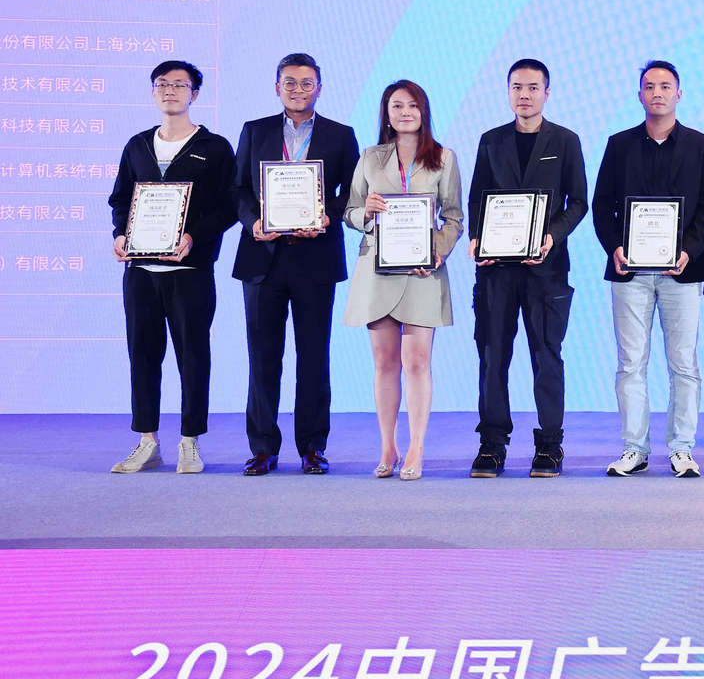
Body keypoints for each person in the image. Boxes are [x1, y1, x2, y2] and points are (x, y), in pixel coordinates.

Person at [231, 52, 360, 476]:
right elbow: (238, 189)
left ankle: (312, 447)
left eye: (306, 83)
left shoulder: (341, 135)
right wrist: (253, 223)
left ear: (319, 88)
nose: (298, 89)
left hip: (315, 257)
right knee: (262, 358)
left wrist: (327, 216)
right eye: (290, 82)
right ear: (277, 87)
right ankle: (262, 448)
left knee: (313, 357)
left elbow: (352, 192)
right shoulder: (255, 130)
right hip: (262, 258)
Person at [108, 60, 237, 474]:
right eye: (162, 84)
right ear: (153, 92)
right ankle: (147, 441)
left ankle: (190, 441)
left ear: (194, 94)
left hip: (191, 272)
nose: (170, 91)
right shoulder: (137, 145)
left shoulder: (215, 147)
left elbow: (228, 207)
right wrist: (120, 235)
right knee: (143, 356)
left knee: (193, 357)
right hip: (140, 273)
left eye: (179, 85)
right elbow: (121, 199)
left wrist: (193, 237)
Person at [593, 60, 704, 479]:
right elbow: (602, 204)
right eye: (650, 86)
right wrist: (614, 247)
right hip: (629, 272)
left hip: (682, 271)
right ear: (639, 95)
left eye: (666, 86)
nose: (658, 93)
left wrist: (689, 250)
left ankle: (682, 448)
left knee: (683, 363)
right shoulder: (619, 144)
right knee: (630, 363)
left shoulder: (701, 145)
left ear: (679, 94)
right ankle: (634, 448)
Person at [466, 58, 589, 477]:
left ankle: (550, 445)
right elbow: (478, 198)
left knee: (547, 357)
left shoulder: (566, 140)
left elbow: (579, 202)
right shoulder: (491, 140)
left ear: (546, 93)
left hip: (546, 270)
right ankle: (491, 445)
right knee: (492, 357)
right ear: (508, 92)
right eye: (517, 87)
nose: (525, 95)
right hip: (496, 270)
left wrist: (552, 235)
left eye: (533, 87)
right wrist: (478, 238)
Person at [343, 80, 463, 480]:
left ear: (423, 110)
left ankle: (416, 448)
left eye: (413, 105)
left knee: (417, 361)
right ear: (386, 113)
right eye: (397, 106)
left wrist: (437, 251)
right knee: (384, 362)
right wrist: (366, 213)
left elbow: (454, 217)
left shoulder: (443, 157)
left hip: (423, 272)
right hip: (378, 271)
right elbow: (350, 211)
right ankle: (387, 446)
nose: (405, 112)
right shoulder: (370, 157)